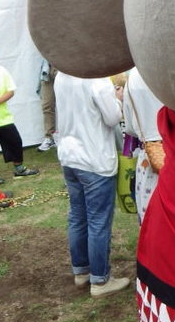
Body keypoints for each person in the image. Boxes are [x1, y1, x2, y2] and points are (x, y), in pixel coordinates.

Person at [54, 72, 130, 297]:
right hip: (94, 158)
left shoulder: (62, 75)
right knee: (98, 222)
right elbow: (113, 118)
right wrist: (118, 99)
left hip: (70, 155)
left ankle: (82, 271)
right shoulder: (96, 79)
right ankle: (100, 280)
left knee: (78, 216)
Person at [122, 67, 164, 223]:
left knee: (149, 214)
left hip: (148, 154)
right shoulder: (172, 68)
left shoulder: (134, 76)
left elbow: (129, 128)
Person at [0, 54, 39, 182]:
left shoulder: (0, 70)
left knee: (15, 143)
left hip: (4, 118)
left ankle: (19, 169)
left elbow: (11, 91)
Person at [36, 59, 57, 151]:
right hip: (48, 68)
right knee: (47, 105)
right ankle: (50, 137)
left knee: (67, 104)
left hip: (64, 67)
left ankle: (72, 137)